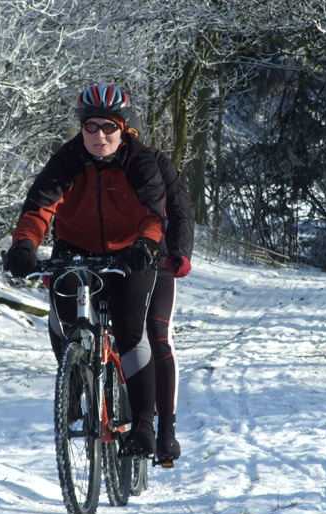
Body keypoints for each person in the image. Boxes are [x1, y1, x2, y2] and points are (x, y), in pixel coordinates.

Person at [4, 84, 167, 458]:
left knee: (129, 331)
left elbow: (153, 213)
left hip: (130, 255)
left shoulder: (138, 161)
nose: (99, 136)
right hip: (75, 251)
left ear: (123, 128)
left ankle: (143, 425)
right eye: (90, 127)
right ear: (81, 128)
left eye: (108, 127)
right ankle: (74, 384)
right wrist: (24, 245)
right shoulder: (68, 159)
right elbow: (39, 208)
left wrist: (145, 245)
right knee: (62, 320)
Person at [126, 114, 194, 464]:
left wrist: (179, 253)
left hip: (158, 259)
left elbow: (181, 210)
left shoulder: (156, 163)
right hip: (114, 261)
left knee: (156, 334)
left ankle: (166, 430)